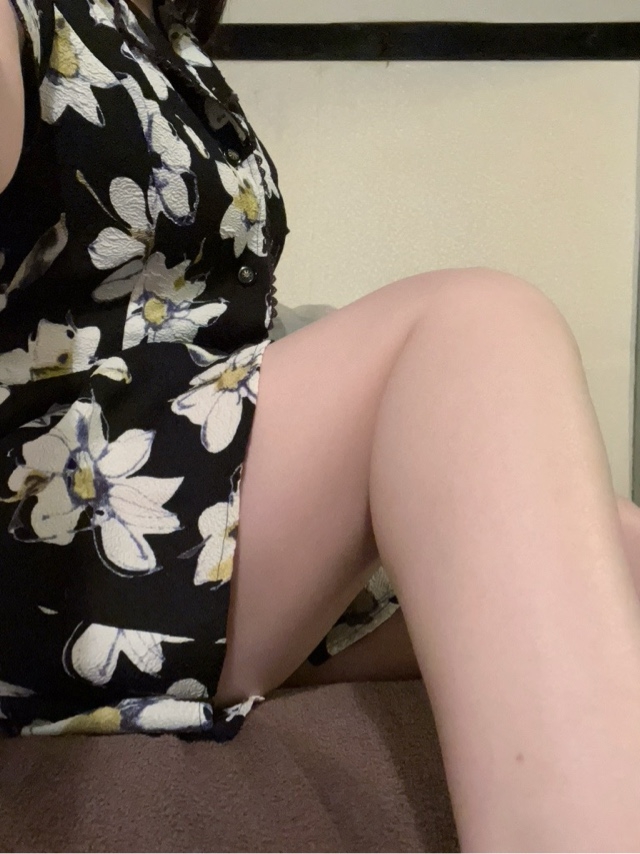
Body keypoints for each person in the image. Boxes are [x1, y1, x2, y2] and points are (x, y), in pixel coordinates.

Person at [3, 0, 640, 848]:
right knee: (478, 326)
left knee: (618, 549)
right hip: (71, 529)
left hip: (197, 489)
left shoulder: (157, 30)